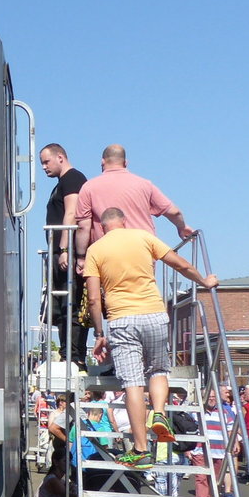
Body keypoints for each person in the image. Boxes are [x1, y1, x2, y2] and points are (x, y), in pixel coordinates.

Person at [82, 206, 218, 470]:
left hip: (122, 319)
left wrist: (99, 333)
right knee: (157, 370)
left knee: (133, 383)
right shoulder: (143, 237)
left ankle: (141, 450)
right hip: (154, 314)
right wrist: (204, 281)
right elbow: (180, 264)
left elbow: (94, 299)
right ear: (125, 221)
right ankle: (158, 413)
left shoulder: (95, 250)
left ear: (102, 226)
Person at [73, 144, 196, 273]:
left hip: (109, 252)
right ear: (126, 162)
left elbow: (83, 227)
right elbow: (174, 212)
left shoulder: (89, 187)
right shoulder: (144, 184)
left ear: (102, 161)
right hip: (143, 252)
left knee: (114, 292)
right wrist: (181, 227)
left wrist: (81, 257)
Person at [41, 144, 90, 362]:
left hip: (64, 252)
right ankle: (66, 352)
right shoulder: (62, 183)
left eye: (46, 162)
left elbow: (72, 213)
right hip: (58, 251)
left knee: (71, 303)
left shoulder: (72, 179)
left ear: (60, 157)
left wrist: (64, 249)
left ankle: (73, 355)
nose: (44, 167)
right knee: (61, 306)